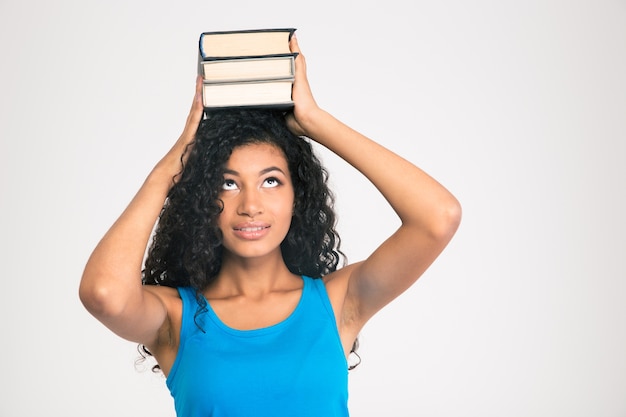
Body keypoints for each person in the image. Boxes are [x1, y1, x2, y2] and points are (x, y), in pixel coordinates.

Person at [79, 35, 461, 417]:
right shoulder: (175, 317)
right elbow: (103, 293)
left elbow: (438, 217)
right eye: (228, 183)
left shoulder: (338, 302)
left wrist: (315, 121)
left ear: (298, 195)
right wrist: (169, 169)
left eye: (271, 181)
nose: (250, 206)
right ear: (201, 199)